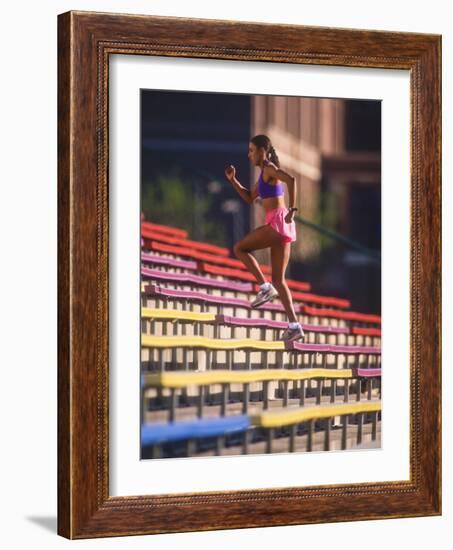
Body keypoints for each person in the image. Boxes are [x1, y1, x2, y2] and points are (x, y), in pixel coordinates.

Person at [224, 134, 304, 342]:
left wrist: (293, 208)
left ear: (262, 151)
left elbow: (291, 180)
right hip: (283, 228)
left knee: (240, 248)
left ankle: (264, 287)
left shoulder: (269, 169)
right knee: (279, 279)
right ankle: (294, 326)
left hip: (278, 223)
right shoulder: (262, 177)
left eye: (251, 150)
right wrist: (233, 181)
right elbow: (250, 198)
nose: (248, 155)